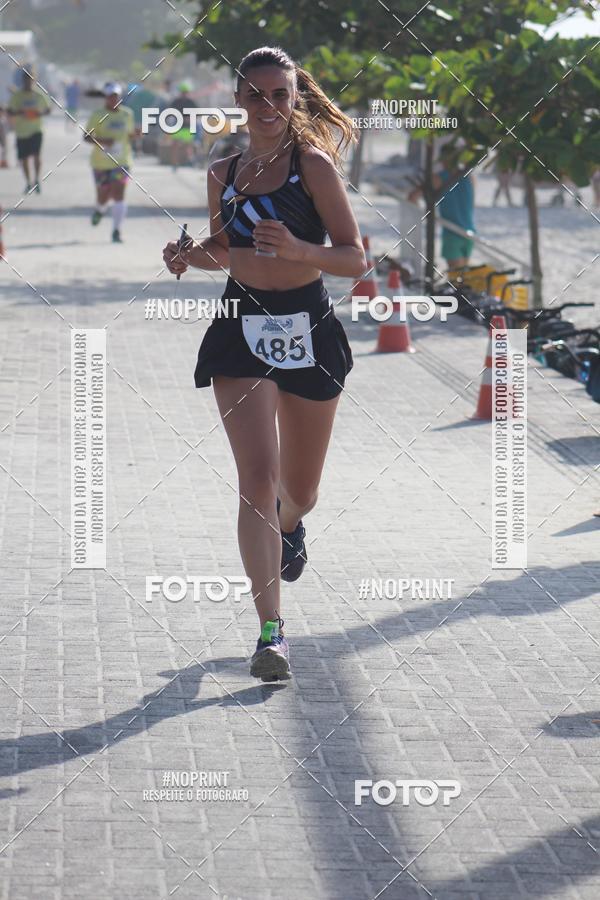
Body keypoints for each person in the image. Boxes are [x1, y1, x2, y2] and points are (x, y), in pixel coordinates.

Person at [162, 46, 366, 682]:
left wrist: (301, 247)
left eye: (280, 94)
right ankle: (271, 634)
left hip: (307, 324)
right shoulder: (223, 171)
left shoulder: (315, 168)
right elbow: (225, 250)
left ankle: (291, 525)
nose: (268, 106)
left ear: (295, 97)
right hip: (241, 328)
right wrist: (188, 255)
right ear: (238, 100)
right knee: (256, 478)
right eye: (255, 94)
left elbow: (355, 258)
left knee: (298, 491)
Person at [409, 142, 476, 269]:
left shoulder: (439, 178)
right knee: (464, 277)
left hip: (452, 232)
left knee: (457, 279)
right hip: (469, 230)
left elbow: (412, 197)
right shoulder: (469, 177)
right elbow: (471, 203)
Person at [84, 82, 135, 243]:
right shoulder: (97, 115)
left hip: (122, 162)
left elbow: (130, 134)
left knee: (119, 194)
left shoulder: (127, 114)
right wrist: (103, 140)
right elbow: (86, 137)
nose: (114, 99)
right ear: (105, 98)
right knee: (103, 196)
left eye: (116, 96)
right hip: (101, 163)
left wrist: (137, 134)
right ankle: (99, 210)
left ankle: (116, 231)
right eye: (110, 96)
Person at [7, 70, 51, 193]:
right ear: (23, 81)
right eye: (26, 80)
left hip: (36, 130)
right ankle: (28, 182)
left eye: (30, 80)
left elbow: (48, 109)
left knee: (36, 155)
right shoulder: (17, 95)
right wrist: (21, 112)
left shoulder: (39, 95)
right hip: (21, 131)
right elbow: (9, 111)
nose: (28, 83)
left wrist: (39, 113)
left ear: (34, 81)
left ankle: (37, 179)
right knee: (24, 158)